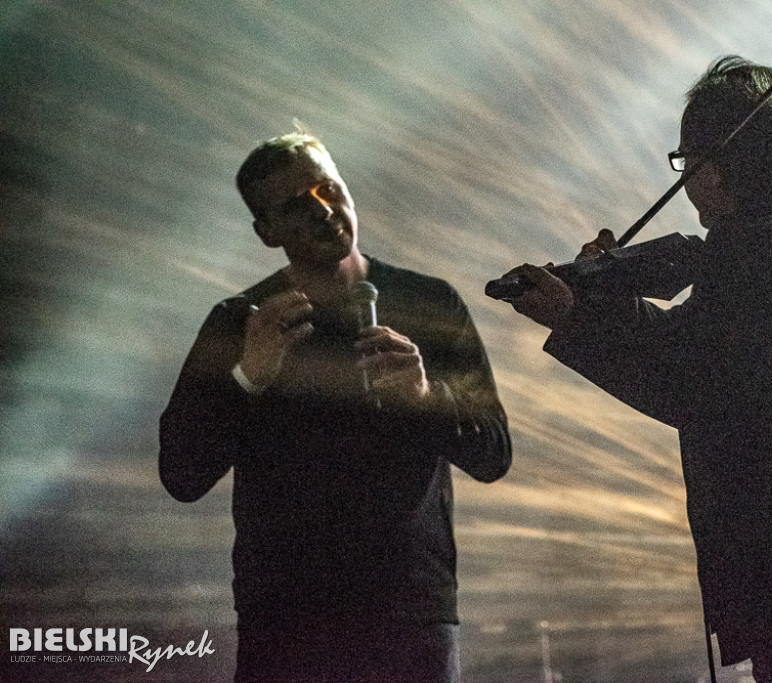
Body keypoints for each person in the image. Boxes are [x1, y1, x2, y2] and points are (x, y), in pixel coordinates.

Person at [502, 56, 772, 682]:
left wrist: (577, 315)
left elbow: (690, 377)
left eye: (689, 161)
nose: (688, 184)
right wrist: (601, 295)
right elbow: (706, 356)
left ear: (726, 161)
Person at [159, 131, 512, 683]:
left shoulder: (429, 302)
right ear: (266, 231)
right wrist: (247, 377)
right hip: (286, 618)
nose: (325, 210)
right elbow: (181, 473)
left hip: (409, 609)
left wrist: (424, 398)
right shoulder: (239, 320)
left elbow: (494, 452)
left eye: (330, 188)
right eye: (299, 203)